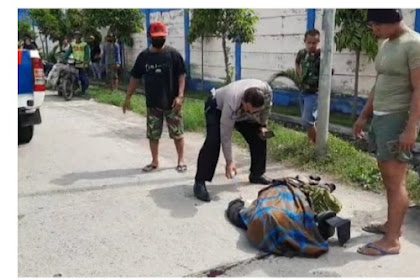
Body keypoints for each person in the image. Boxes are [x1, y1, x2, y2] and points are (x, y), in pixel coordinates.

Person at [353, 9, 420, 256]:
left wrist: (411, 127)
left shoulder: (414, 44)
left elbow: (419, 89)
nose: (373, 30)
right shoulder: (388, 44)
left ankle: (392, 241)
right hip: (381, 117)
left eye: (376, 25)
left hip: (397, 118)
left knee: (394, 180)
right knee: (388, 177)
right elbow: (379, 83)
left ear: (391, 22)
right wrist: (363, 115)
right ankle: (391, 226)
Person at [193, 79, 274, 202]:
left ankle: (257, 174)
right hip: (217, 108)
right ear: (243, 101)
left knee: (260, 135)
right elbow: (226, 135)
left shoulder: (267, 92)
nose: (250, 113)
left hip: (241, 111)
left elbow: (266, 110)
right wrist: (229, 162)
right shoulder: (233, 100)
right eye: (248, 110)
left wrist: (262, 125)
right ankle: (199, 182)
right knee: (213, 141)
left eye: (254, 111)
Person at [122, 21, 187, 173]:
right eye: (156, 37)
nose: (159, 39)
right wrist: (128, 98)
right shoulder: (144, 57)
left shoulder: (173, 55)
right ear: (150, 37)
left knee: (178, 133)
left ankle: (181, 160)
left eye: (161, 36)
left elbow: (181, 76)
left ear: (165, 37)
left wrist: (180, 96)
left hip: (172, 103)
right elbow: (135, 78)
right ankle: (155, 161)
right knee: (153, 134)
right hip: (153, 103)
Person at [295, 29, 321, 144]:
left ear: (318, 42)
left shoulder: (320, 55)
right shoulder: (302, 53)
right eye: (309, 42)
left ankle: (315, 144)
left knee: (308, 120)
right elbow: (297, 62)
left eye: (314, 43)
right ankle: (311, 142)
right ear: (305, 41)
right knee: (307, 121)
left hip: (314, 92)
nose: (311, 45)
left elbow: (329, 71)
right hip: (303, 91)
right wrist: (299, 73)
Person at [65, 31, 90, 95]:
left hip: (81, 63)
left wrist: (86, 60)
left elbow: (87, 54)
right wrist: (64, 58)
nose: (77, 37)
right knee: (70, 73)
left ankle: (83, 90)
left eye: (78, 35)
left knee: (83, 77)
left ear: (80, 36)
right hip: (74, 62)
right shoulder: (72, 44)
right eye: (76, 35)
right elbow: (68, 52)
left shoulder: (84, 45)